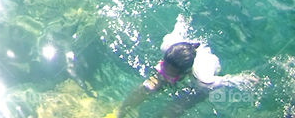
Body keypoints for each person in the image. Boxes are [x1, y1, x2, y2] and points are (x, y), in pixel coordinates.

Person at [110, 20, 257, 118]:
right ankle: (119, 112)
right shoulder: (169, 45)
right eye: (162, 67)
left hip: (200, 80)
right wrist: (182, 20)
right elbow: (179, 25)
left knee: (176, 108)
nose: (163, 75)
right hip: (182, 61)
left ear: (185, 73)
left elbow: (226, 81)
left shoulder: (203, 77)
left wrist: (245, 79)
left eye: (170, 75)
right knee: (147, 87)